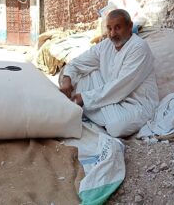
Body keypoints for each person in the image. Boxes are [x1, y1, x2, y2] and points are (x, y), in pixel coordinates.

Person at [59, 9, 159, 137]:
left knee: (116, 127)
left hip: (134, 103)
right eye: (109, 28)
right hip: (107, 94)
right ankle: (96, 111)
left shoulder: (138, 48)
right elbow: (77, 63)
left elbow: (121, 86)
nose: (112, 34)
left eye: (117, 28)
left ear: (129, 27)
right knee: (74, 77)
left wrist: (85, 98)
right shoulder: (105, 45)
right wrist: (67, 80)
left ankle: (90, 110)